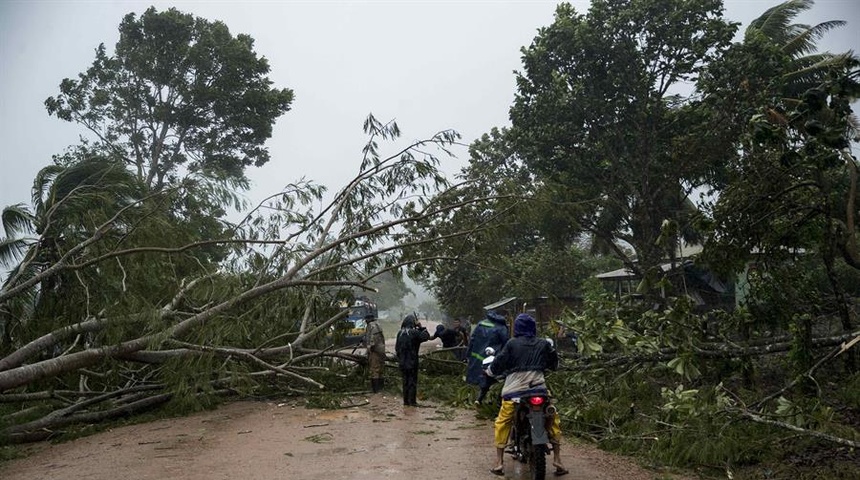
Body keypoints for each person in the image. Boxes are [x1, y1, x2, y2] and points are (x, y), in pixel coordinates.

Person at [487, 313, 568, 477]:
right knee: (553, 418)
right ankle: (558, 459)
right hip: (539, 390)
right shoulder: (544, 343)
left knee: (503, 421)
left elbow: (498, 364)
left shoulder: (511, 344)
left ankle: (499, 462)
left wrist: (489, 371)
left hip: (514, 392)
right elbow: (554, 364)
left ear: (516, 328)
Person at [465, 310, 508, 402]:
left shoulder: (481, 324)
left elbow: (472, 340)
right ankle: (484, 397)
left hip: (476, 355)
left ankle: (470, 394)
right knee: (488, 376)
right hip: (491, 357)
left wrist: (468, 354)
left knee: (474, 375)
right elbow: (506, 345)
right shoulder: (501, 328)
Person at [394, 314, 430, 406]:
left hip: (402, 362)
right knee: (412, 382)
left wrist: (400, 358)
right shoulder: (414, 332)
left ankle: (406, 402)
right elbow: (426, 336)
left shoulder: (400, 333)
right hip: (412, 361)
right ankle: (412, 402)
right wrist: (421, 327)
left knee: (405, 381)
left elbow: (397, 348)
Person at [363, 313, 386, 393]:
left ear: (368, 319)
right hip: (381, 349)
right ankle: (381, 388)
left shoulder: (371, 326)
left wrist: (369, 350)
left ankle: (376, 390)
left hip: (375, 351)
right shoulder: (378, 324)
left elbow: (373, 340)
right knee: (381, 369)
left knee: (374, 369)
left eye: (366, 319)